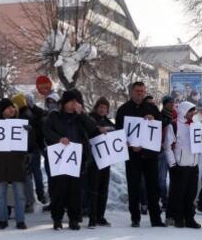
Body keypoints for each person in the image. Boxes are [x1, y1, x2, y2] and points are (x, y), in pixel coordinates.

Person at [44, 89, 98, 230]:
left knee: (75, 191)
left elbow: (93, 128)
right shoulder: (54, 116)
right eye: (71, 101)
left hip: (77, 159)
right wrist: (58, 139)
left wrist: (82, 114)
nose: (73, 104)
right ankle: (57, 219)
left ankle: (74, 219)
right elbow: (47, 131)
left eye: (76, 101)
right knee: (59, 190)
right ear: (64, 102)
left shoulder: (81, 117)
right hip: (59, 158)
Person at [115, 81, 166, 228]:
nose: (140, 93)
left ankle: (155, 219)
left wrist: (154, 120)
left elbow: (160, 126)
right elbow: (119, 132)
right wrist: (130, 145)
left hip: (150, 155)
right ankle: (135, 218)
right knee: (134, 187)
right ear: (132, 91)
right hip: (133, 156)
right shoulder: (123, 109)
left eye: (142, 91)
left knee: (153, 187)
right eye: (137, 91)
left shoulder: (152, 108)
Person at [0, 98, 33, 230]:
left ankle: (20, 220)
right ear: (2, 110)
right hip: (1, 163)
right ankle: (3, 219)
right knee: (1, 194)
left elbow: (31, 145)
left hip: (17, 162)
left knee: (20, 194)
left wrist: (30, 133)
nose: (12, 109)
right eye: (8, 107)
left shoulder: (21, 124)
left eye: (13, 107)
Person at [164, 101, 202, 229]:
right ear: (183, 111)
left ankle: (190, 218)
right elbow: (168, 147)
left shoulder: (196, 125)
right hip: (180, 165)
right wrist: (173, 164)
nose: (192, 113)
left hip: (193, 165)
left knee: (191, 194)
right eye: (190, 111)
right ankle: (178, 218)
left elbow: (199, 142)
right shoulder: (174, 125)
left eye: (193, 111)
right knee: (178, 193)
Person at [86, 97, 115, 229]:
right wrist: (98, 130)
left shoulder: (109, 122)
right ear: (96, 107)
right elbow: (87, 132)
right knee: (93, 189)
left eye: (105, 108)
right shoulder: (90, 119)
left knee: (103, 188)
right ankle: (92, 218)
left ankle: (100, 216)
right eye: (101, 107)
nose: (103, 110)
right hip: (93, 160)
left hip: (106, 159)